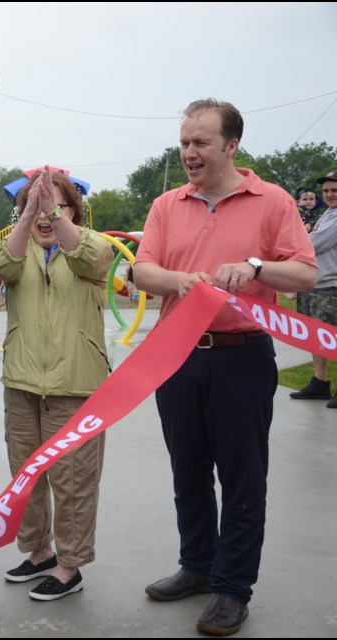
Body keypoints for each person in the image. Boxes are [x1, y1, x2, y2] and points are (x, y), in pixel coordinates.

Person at [134, 99, 317, 636]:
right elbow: (144, 271)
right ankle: (197, 566)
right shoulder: (167, 204)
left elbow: (305, 275)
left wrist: (257, 266)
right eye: (184, 142)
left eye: (201, 143)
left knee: (241, 477)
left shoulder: (272, 201)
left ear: (231, 145)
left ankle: (233, 588)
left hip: (242, 357)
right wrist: (180, 282)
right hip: (177, 354)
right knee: (187, 470)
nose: (189, 153)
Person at [0, 168, 113, 602]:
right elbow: (1, 263)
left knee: (73, 481)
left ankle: (69, 564)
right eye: (32, 206)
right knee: (25, 476)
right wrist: (27, 213)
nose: (43, 215)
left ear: (73, 210)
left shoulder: (90, 248)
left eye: (55, 206)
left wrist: (53, 213)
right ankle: (37, 552)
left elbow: (93, 260)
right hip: (21, 383)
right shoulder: (16, 253)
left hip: (75, 387)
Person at [290, 170, 337, 406]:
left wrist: (289, 245)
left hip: (331, 286)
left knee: (332, 338)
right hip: (314, 284)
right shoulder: (327, 214)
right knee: (314, 336)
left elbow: (313, 244)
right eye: (326, 190)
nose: (329, 194)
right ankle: (321, 383)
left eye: (334, 190)